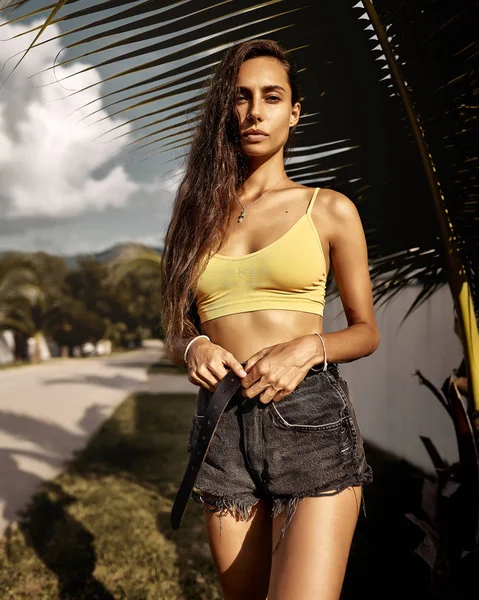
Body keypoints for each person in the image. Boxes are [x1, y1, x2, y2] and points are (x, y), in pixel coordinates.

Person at [161, 39, 380, 600]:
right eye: (240, 98)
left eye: (271, 97)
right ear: (225, 110)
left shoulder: (327, 208)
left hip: (310, 419)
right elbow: (177, 326)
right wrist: (195, 348)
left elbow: (365, 330)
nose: (254, 111)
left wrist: (308, 347)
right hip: (222, 425)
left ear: (294, 112)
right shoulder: (196, 214)